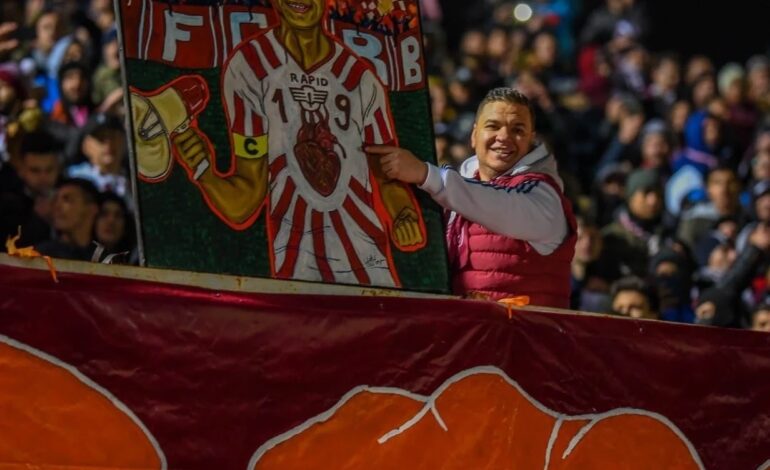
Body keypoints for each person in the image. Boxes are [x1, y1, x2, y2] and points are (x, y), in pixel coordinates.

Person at [169, 0, 426, 288]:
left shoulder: (360, 79)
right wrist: (203, 170)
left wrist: (403, 213)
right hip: (296, 277)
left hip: (371, 273)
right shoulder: (249, 68)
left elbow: (387, 176)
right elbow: (246, 199)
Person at [366, 87, 576, 307]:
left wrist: (425, 174)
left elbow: (500, 205)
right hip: (462, 326)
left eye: (518, 130)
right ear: (474, 136)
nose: (504, 137)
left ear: (531, 140)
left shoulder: (543, 195)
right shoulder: (457, 191)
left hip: (524, 329)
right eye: (493, 126)